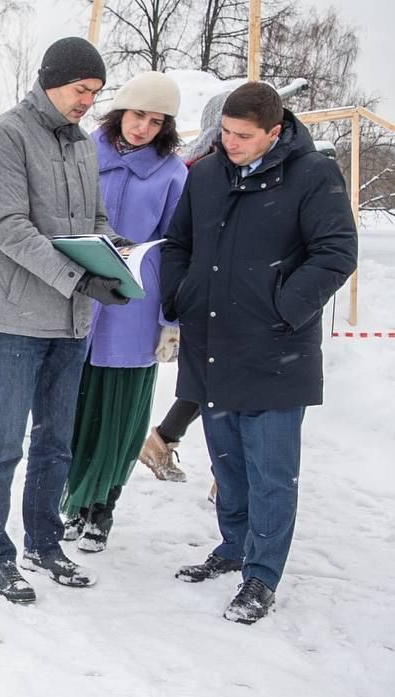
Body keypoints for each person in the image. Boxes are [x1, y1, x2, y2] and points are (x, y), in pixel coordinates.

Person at [160, 82, 358, 623]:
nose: (231, 143)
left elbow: (337, 251)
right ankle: (233, 546)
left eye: (243, 136)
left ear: (275, 132)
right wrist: (181, 295)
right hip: (213, 344)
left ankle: (262, 574)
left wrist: (284, 307)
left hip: (275, 349)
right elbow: (178, 245)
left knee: (271, 468)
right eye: (225, 132)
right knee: (227, 460)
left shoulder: (313, 175)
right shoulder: (205, 174)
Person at [0, 36, 130, 604]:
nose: (89, 101)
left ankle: (42, 540)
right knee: (4, 443)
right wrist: (75, 277)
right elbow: (9, 228)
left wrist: (117, 250)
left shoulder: (83, 146)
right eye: (81, 89)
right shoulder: (4, 137)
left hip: (71, 323)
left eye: (95, 92)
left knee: (57, 441)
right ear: (50, 81)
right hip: (17, 319)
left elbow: (94, 219)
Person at [61, 71, 187, 553]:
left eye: (156, 122)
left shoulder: (173, 174)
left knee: (121, 412)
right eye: (138, 115)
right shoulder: (82, 153)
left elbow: (179, 249)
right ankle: (73, 502)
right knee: (75, 407)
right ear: (120, 112)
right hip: (79, 296)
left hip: (138, 301)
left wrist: (170, 322)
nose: (143, 129)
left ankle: (103, 509)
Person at [137, 90, 228, 484]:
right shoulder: (202, 171)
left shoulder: (199, 165)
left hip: (218, 291)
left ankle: (164, 441)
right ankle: (225, 477)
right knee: (218, 384)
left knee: (211, 381)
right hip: (206, 291)